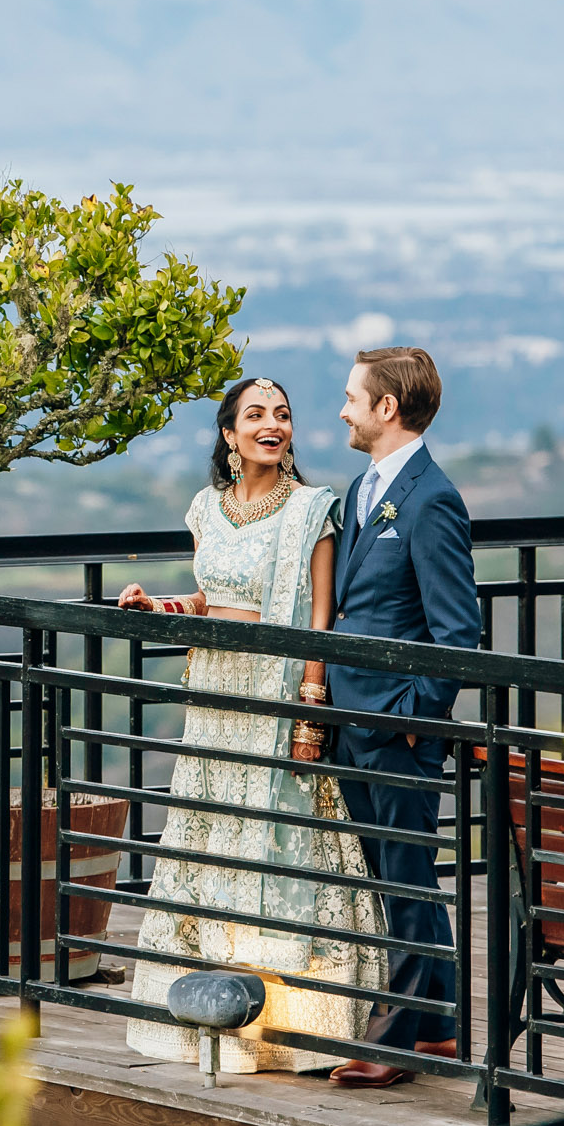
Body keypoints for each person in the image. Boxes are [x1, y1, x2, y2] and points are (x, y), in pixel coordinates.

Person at [116, 375, 388, 1073]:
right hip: (216, 697)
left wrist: (309, 704)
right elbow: (216, 597)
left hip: (277, 698)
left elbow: (319, 616)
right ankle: (210, 1005)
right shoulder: (207, 508)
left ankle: (295, 1022)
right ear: (231, 436)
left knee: (283, 838)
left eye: (284, 414)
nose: (274, 424)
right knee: (213, 841)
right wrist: (161, 607)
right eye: (257, 414)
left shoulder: (311, 512)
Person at [322, 346, 482, 1089]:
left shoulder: (431, 499)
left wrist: (417, 717)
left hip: (398, 728)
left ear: (388, 408)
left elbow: (458, 635)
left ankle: (393, 1041)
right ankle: (443, 1027)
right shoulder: (363, 488)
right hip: (354, 719)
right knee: (395, 877)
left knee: (408, 882)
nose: (345, 408)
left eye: (354, 397)